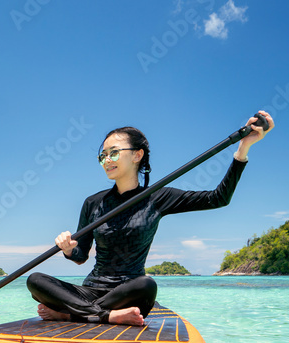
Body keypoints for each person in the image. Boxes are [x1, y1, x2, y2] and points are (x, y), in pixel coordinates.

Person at [27, 111, 273, 326]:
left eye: (114, 153)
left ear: (137, 155)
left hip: (129, 293)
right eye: (102, 156)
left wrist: (243, 149)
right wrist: (69, 250)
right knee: (35, 280)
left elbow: (218, 198)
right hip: (90, 292)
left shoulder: (157, 197)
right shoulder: (93, 202)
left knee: (147, 285)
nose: (107, 160)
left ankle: (72, 315)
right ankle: (102, 316)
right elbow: (80, 256)